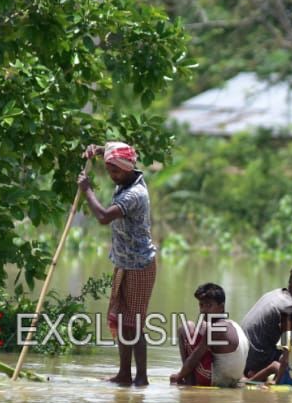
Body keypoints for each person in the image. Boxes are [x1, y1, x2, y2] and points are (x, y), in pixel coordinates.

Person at [78, 141, 156, 386]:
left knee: (134, 325)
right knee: (122, 321)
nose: (112, 176)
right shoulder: (126, 179)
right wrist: (98, 150)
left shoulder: (135, 194)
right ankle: (124, 375)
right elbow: (114, 147)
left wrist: (86, 190)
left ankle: (141, 378)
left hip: (140, 265)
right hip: (123, 262)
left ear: (127, 169)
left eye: (115, 172)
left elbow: (103, 217)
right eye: (109, 170)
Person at [241, 263, 292, 377]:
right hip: (255, 360)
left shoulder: (275, 293)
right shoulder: (290, 307)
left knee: (290, 342)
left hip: (243, 359)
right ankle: (258, 373)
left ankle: (254, 372)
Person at [170, 283, 250, 387]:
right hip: (235, 379)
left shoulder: (214, 329)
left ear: (221, 307)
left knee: (185, 327)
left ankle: (189, 380)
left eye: (209, 305)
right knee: (197, 328)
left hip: (219, 380)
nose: (203, 310)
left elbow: (194, 358)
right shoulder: (233, 324)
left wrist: (179, 376)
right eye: (201, 305)